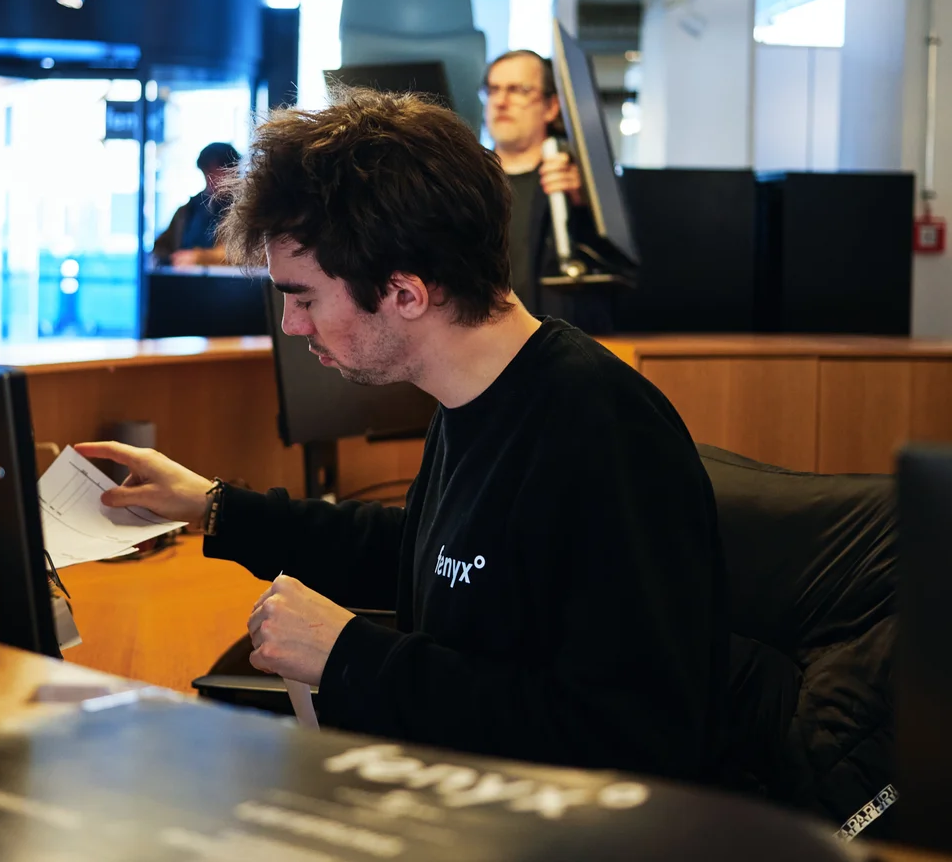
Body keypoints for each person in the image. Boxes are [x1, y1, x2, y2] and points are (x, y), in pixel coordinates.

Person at [78, 89, 727, 781]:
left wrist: (350, 654)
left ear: (407, 294)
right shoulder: (472, 397)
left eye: (304, 297)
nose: (294, 326)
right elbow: (426, 554)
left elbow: (628, 739)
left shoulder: (602, 432)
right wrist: (214, 508)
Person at [483, 49, 611, 332]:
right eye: (493, 90)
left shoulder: (578, 181)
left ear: (551, 107)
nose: (501, 101)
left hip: (552, 344)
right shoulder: (463, 182)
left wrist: (585, 206)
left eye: (518, 90)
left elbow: (618, 274)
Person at [152, 142, 240, 267]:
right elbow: (162, 246)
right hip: (186, 281)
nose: (211, 179)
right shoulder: (189, 208)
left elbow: (243, 253)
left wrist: (199, 257)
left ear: (233, 171)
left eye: (217, 172)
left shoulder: (244, 209)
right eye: (207, 172)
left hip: (229, 284)